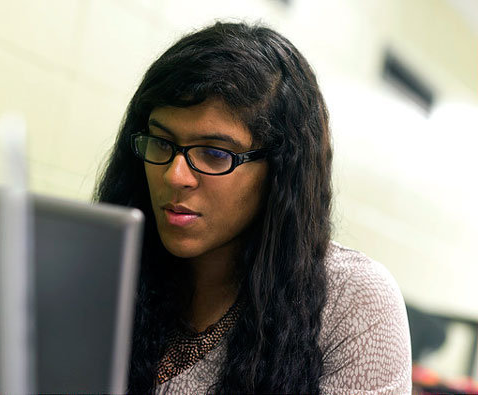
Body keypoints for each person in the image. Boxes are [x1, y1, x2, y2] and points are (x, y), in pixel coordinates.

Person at [95, 22, 411, 395]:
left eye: (215, 154)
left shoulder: (351, 302)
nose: (175, 175)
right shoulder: (104, 268)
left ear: (280, 173)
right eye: (161, 142)